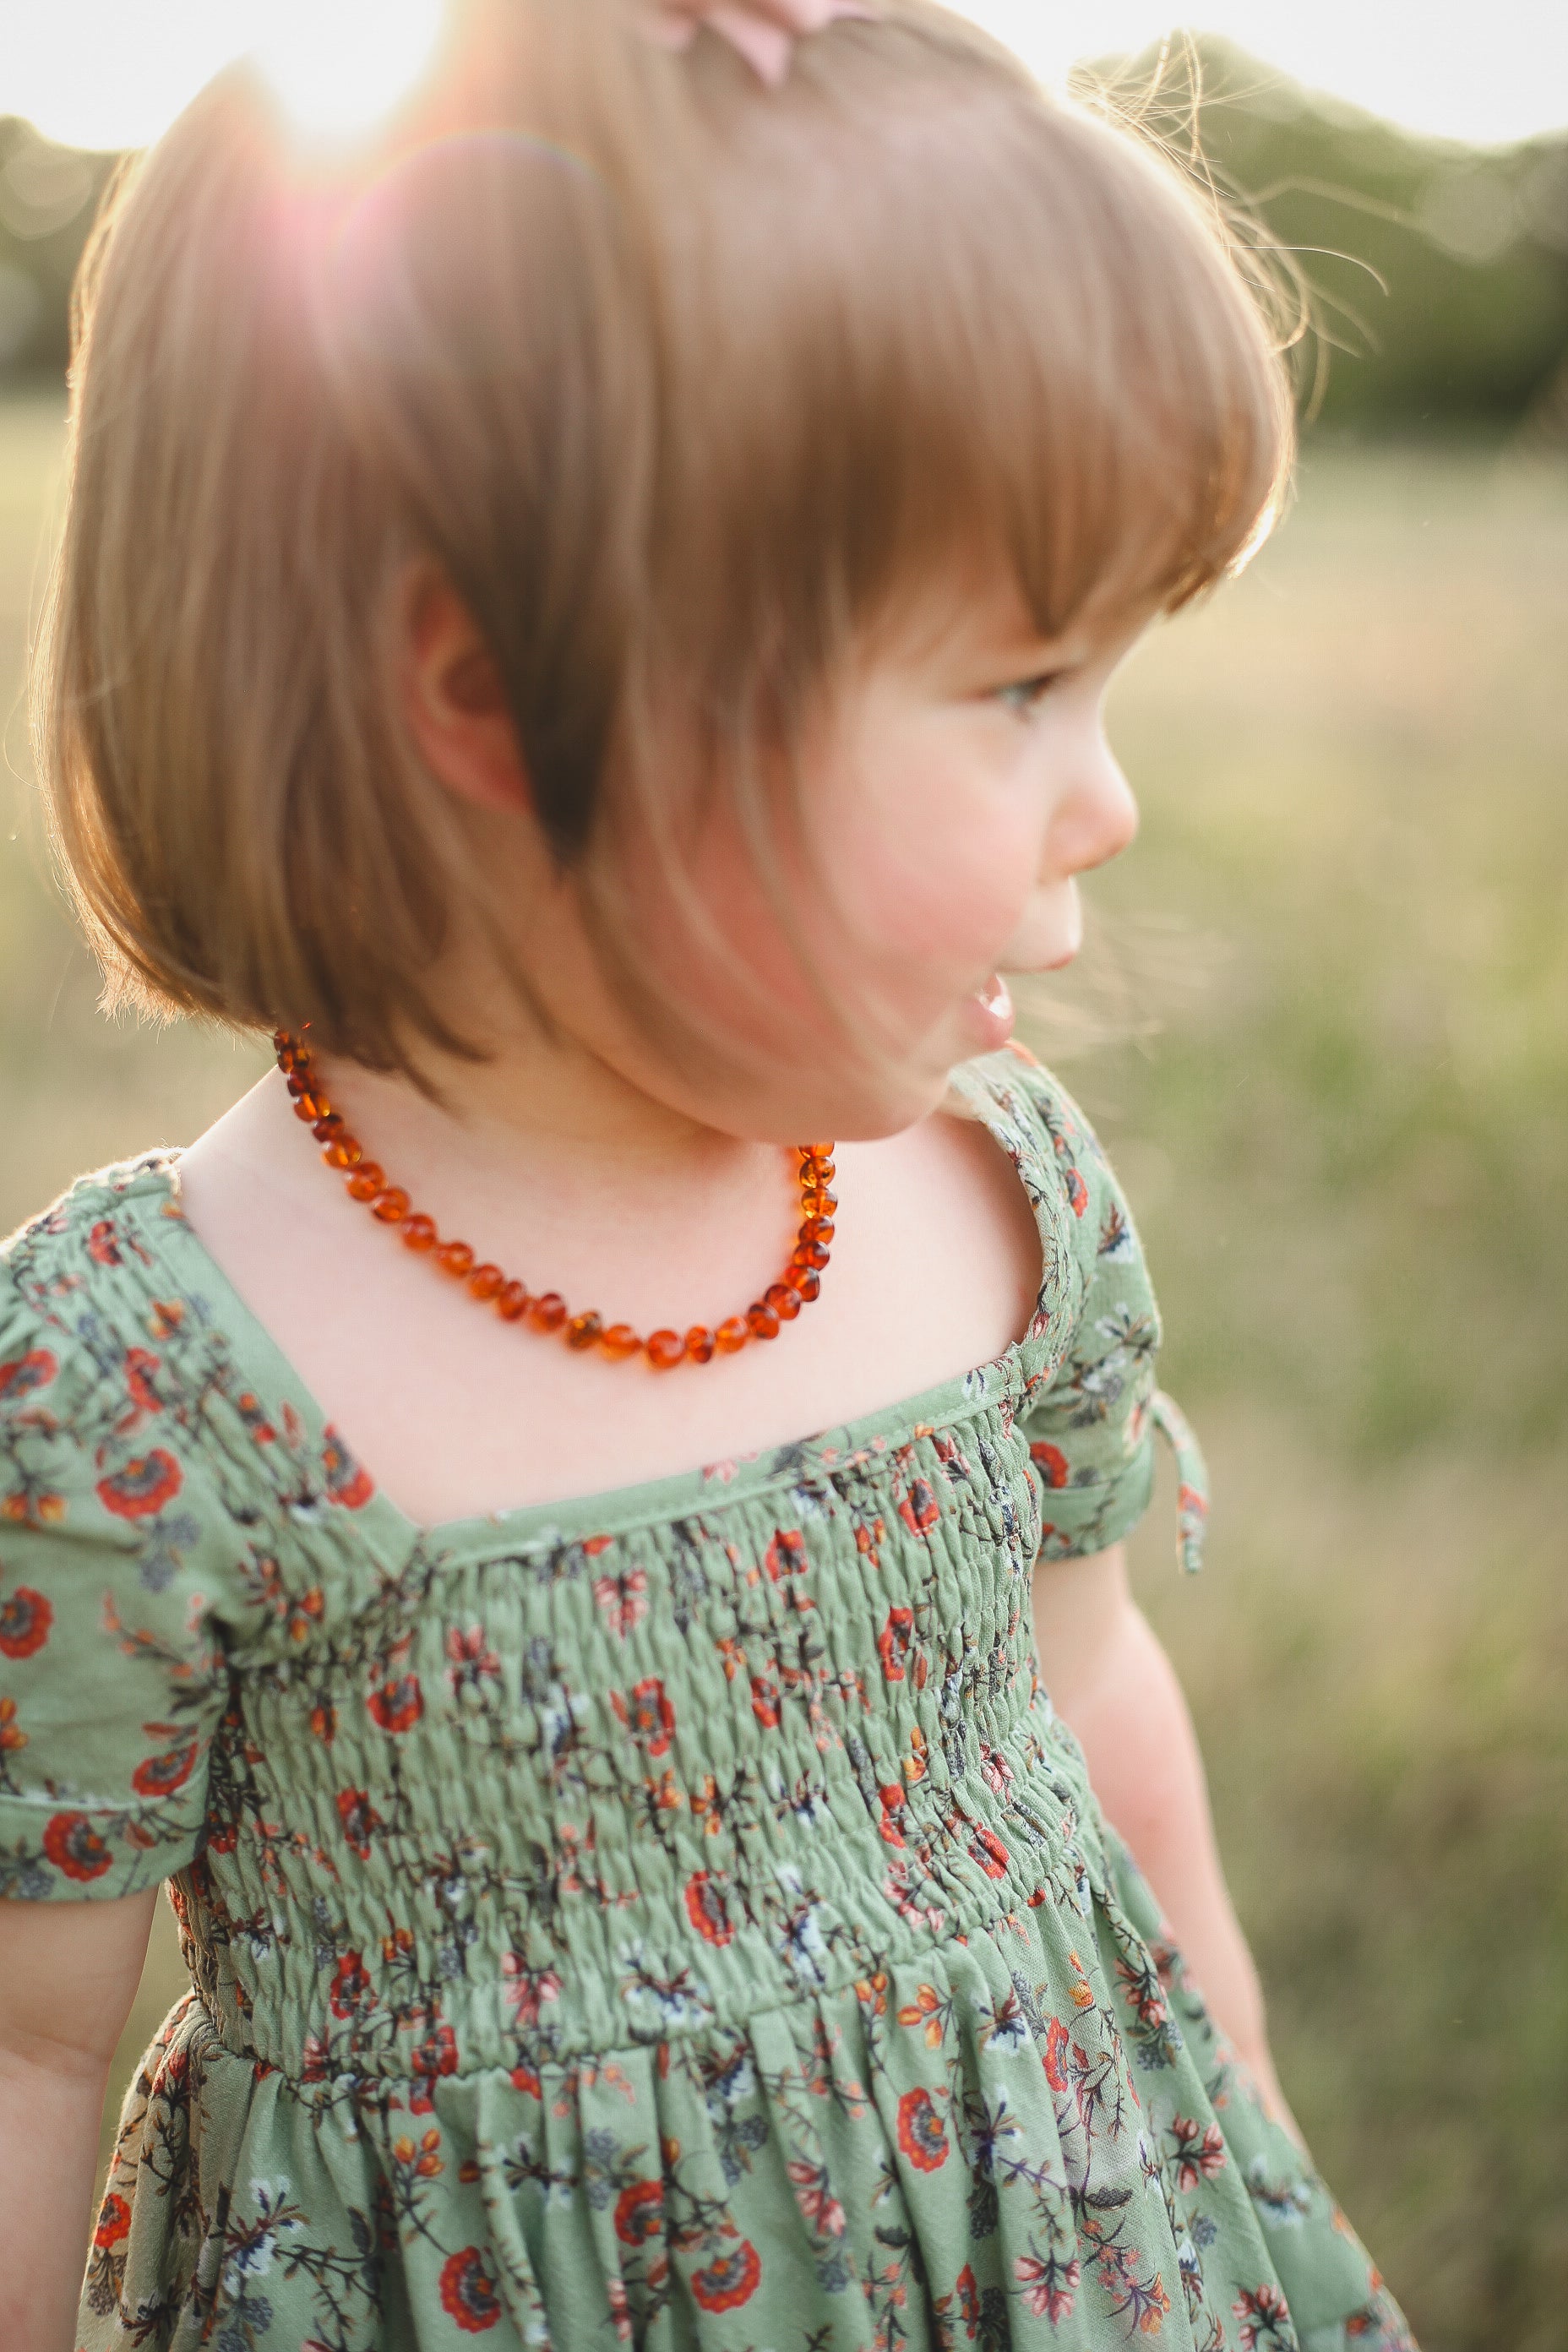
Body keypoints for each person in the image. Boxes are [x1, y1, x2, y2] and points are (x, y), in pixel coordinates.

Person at [0, 2, 1416, 2346]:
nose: (1108, 799)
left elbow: (1100, 1713)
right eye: (1018, 687)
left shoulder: (1000, 1207)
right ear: (498, 694)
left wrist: (1243, 2169)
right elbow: (31, 2046)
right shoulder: (151, 1391)